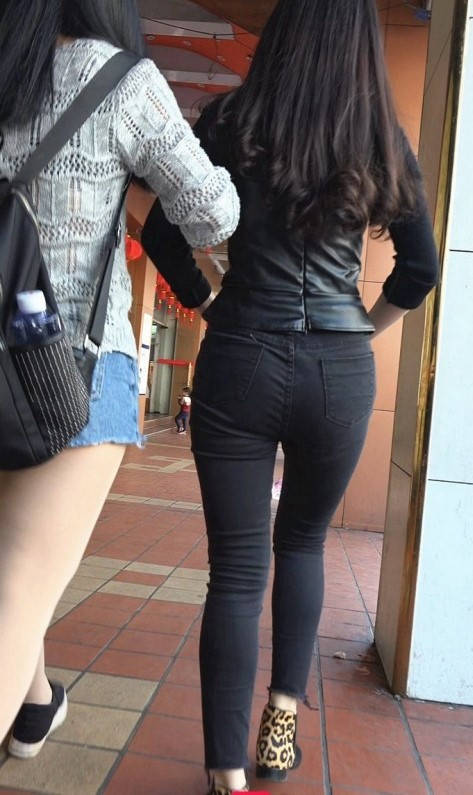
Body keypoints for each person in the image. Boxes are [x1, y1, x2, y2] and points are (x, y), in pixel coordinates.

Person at [142, 0, 439, 792]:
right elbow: (419, 270)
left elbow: (163, 233)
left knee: (235, 571)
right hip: (337, 370)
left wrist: (210, 304)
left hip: (239, 354)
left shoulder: (229, 120)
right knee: (301, 543)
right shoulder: (379, 136)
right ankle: (278, 733)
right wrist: (357, 331)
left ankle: (224, 771)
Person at [0, 0, 239, 753]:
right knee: (17, 583)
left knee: (13, 568)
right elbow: (213, 213)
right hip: (64, 367)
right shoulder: (119, 80)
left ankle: (35, 704)